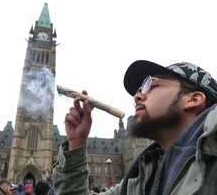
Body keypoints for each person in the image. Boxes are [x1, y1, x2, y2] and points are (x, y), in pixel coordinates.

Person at [52, 60, 217, 194]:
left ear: (193, 99)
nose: (137, 96)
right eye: (138, 89)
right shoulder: (138, 181)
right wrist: (77, 144)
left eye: (150, 85)